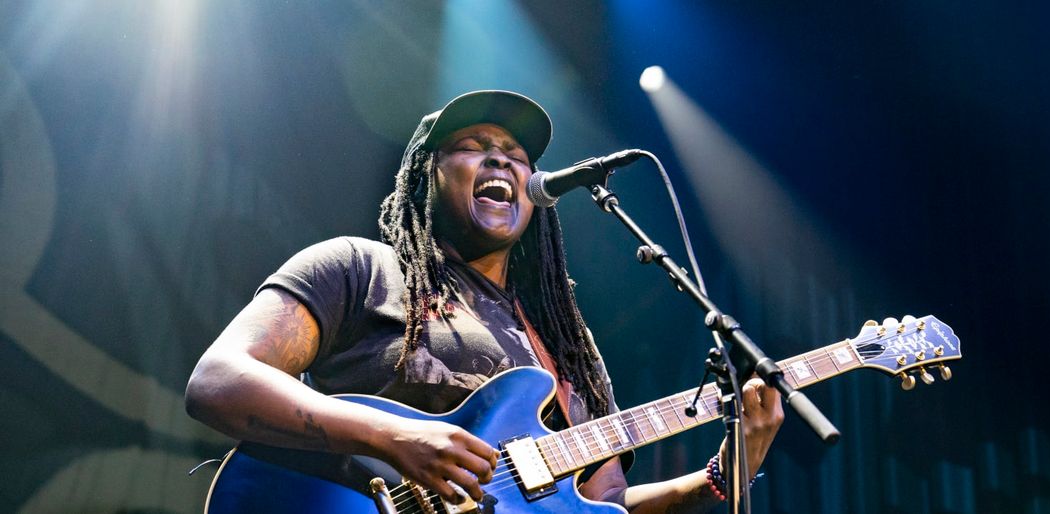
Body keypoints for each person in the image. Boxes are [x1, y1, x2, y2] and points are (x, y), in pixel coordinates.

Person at [185, 90, 784, 513]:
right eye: (474, 145)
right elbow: (219, 382)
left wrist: (724, 473)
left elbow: (605, 508)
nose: (501, 158)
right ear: (428, 173)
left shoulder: (568, 348)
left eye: (517, 156)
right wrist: (395, 438)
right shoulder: (357, 267)